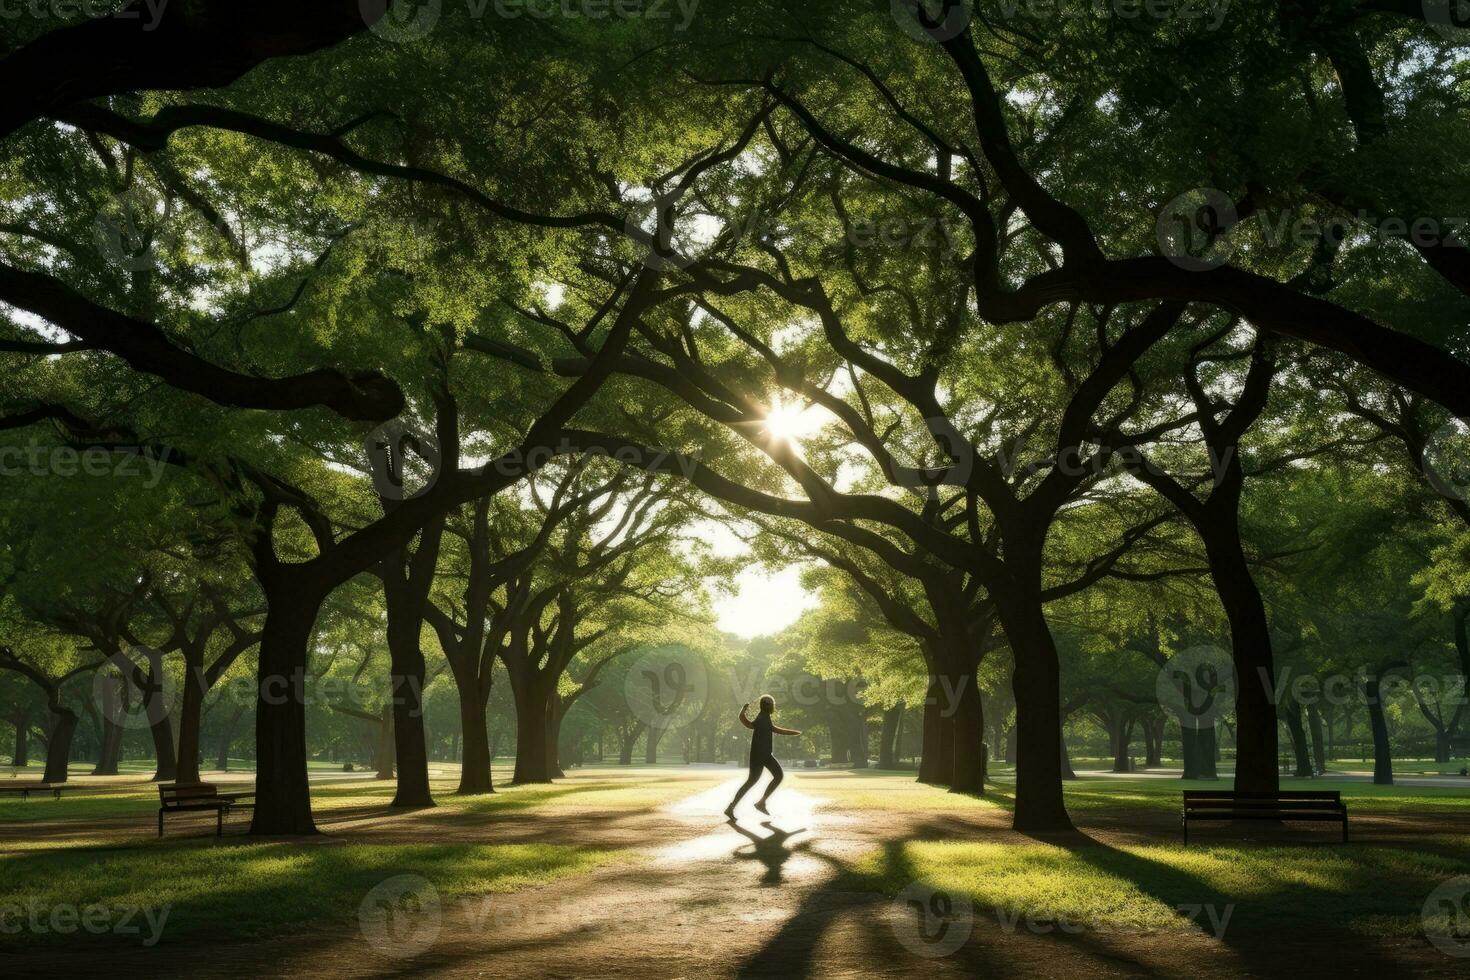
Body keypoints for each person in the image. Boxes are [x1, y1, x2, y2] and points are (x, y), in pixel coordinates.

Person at [725, 695, 801, 818]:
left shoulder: (765, 718)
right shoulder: (761, 718)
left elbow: (775, 729)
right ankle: (734, 807)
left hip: (765, 755)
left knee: (777, 776)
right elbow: (746, 722)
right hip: (759, 756)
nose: (773, 706)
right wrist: (743, 711)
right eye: (771, 704)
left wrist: (792, 732)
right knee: (752, 781)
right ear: (766, 706)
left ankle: (759, 803)